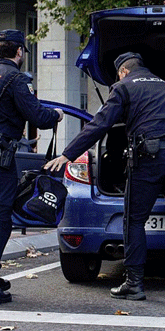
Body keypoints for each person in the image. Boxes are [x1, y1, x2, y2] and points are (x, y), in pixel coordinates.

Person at [45, 52, 165, 300]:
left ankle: (134, 284)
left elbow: (100, 124)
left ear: (124, 71)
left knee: (134, 220)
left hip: (148, 160)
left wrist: (68, 154)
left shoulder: (123, 87)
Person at [0, 29, 64, 304]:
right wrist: (56, 115)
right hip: (1, 159)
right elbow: (36, 115)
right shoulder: (16, 79)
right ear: (19, 52)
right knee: (2, 217)